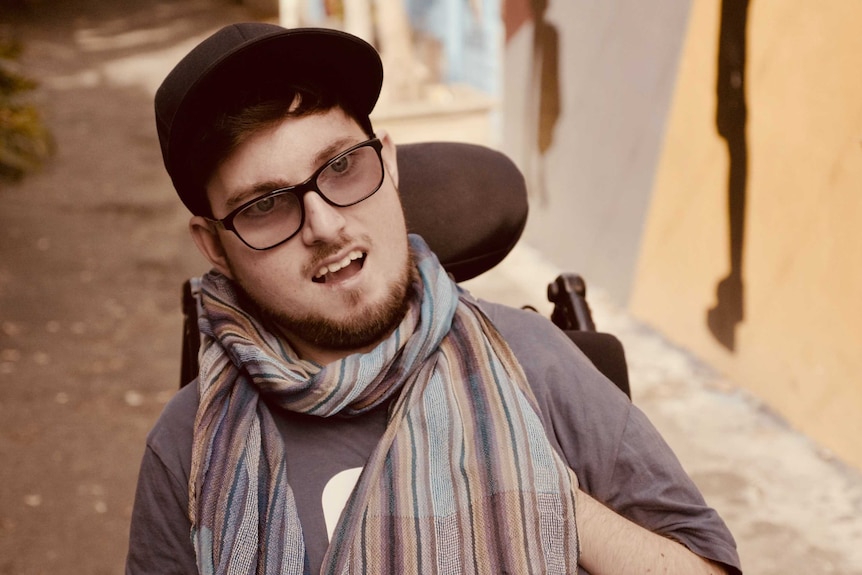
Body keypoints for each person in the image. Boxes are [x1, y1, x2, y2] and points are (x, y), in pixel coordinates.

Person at [126, 22, 742, 575]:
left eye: (341, 167)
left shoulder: (533, 360)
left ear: (387, 163)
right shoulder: (188, 447)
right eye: (264, 206)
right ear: (213, 245)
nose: (324, 226)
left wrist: (537, 500)